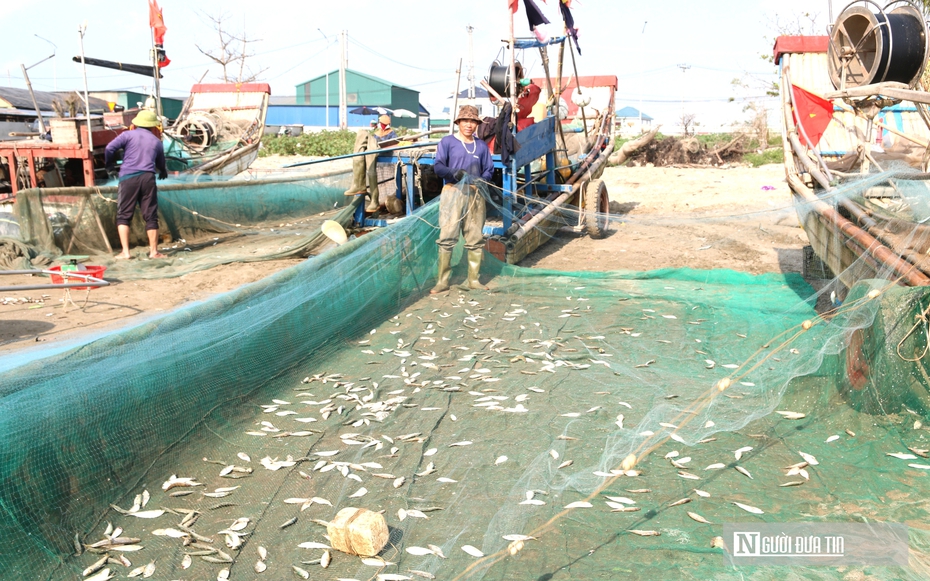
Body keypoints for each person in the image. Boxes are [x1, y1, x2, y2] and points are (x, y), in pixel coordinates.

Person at [430, 105, 494, 293]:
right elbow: (438, 166)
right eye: (465, 121)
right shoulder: (447, 142)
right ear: (458, 123)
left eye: (473, 121)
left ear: (477, 124)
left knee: (475, 237)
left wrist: (482, 180)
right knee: (447, 236)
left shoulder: (481, 146)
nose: (469, 125)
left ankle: (473, 280)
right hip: (452, 193)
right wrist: (453, 172)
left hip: (475, 195)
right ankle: (443, 281)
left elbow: (489, 169)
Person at [104, 109, 168, 259]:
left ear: (136, 124)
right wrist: (163, 170)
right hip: (148, 178)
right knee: (150, 216)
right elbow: (161, 163)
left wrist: (109, 166)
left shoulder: (127, 135)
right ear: (153, 127)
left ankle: (126, 252)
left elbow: (109, 148)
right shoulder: (156, 141)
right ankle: (154, 252)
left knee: (124, 215)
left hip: (128, 178)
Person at [345, 113, 398, 213]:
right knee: (363, 144)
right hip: (375, 159)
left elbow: (395, 144)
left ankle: (375, 199)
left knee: (387, 181)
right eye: (382, 123)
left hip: (387, 160)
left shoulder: (392, 133)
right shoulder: (376, 134)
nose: (383, 125)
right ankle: (359, 186)